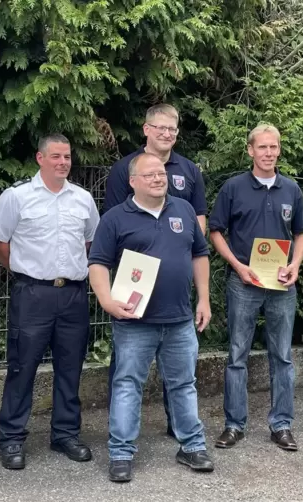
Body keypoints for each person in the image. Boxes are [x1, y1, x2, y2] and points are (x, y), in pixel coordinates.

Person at [88, 152, 214, 483]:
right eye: (150, 175)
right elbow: (98, 264)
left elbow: (199, 254)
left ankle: (192, 446)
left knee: (184, 384)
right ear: (132, 182)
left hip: (180, 320)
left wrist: (204, 299)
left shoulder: (184, 210)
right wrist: (107, 301)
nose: (160, 178)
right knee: (128, 385)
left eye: (162, 173)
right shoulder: (115, 218)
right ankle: (121, 453)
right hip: (133, 323)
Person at [0, 134, 100, 470]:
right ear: (40, 158)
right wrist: (26, 273)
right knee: (22, 367)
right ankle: (11, 437)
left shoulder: (82, 198)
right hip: (33, 294)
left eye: (67, 156)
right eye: (55, 156)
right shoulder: (17, 197)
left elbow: (91, 241)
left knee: (70, 367)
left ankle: (65, 434)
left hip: (73, 295)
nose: (63, 163)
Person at [103, 103, 208, 438]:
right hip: (134, 297)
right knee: (126, 378)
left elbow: (198, 227)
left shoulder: (189, 170)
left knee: (181, 379)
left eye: (172, 129)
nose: (166, 134)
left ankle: (179, 432)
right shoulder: (124, 169)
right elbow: (116, 227)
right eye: (159, 128)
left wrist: (196, 285)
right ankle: (121, 440)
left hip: (176, 303)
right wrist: (112, 295)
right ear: (146, 129)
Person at [208, 124, 303, 452]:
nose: (269, 153)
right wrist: (238, 266)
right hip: (244, 283)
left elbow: (302, 235)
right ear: (250, 150)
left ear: (279, 150)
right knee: (237, 355)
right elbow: (215, 231)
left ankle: (282, 425)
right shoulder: (233, 188)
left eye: (274, 147)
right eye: (262, 147)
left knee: (282, 356)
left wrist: (295, 266)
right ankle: (234, 425)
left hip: (281, 285)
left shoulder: (291, 189)